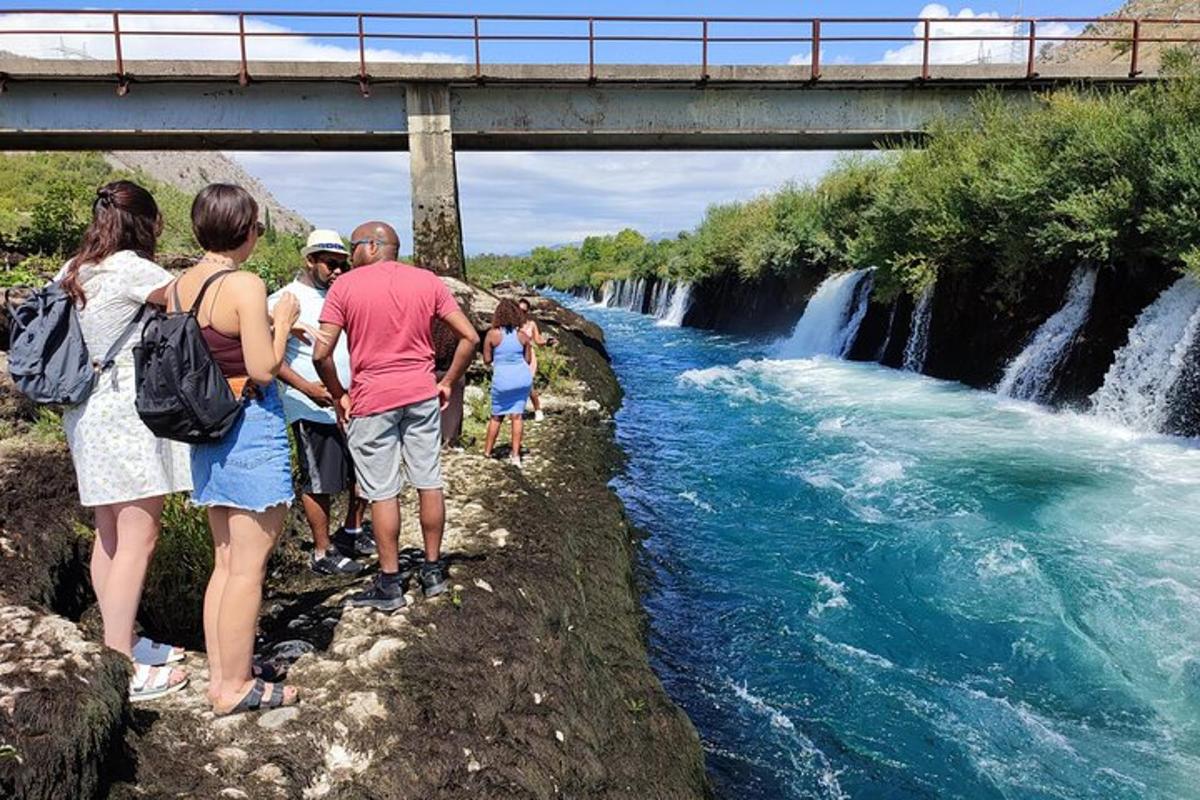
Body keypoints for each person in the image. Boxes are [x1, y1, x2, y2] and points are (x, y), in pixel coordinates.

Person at [58, 180, 192, 702]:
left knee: (110, 533)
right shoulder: (134, 269)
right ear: (146, 224)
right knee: (139, 535)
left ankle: (127, 640)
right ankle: (121, 665)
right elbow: (191, 301)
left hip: (85, 412)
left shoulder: (74, 268)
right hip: (125, 414)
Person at [174, 183, 300, 715]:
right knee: (248, 567)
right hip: (248, 426)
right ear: (245, 231)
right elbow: (262, 370)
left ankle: (222, 675)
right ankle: (235, 688)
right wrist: (284, 322)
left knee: (225, 563)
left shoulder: (182, 284)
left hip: (207, 431)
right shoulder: (245, 284)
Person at [313, 221, 479, 612]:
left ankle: (390, 585)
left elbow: (321, 354)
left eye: (353, 247)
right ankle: (434, 572)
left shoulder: (344, 288)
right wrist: (449, 382)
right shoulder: (428, 282)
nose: (349, 257)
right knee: (428, 480)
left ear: (371, 246)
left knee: (384, 491)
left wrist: (339, 395)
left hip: (373, 401)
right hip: (421, 394)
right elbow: (469, 337)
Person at [268, 230, 369, 575]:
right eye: (331, 264)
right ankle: (323, 551)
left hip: (350, 399)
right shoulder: (284, 299)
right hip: (310, 404)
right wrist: (307, 387)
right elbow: (269, 356)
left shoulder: (342, 294)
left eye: (343, 264)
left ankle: (353, 530)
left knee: (363, 471)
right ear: (309, 260)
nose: (338, 271)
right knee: (319, 479)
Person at [483, 299, 534, 467]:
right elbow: (527, 359)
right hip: (521, 378)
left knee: (496, 416)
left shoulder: (492, 334)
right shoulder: (522, 335)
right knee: (517, 416)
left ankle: (488, 452)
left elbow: (487, 359)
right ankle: (515, 456)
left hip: (503, 379)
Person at [517, 297, 555, 422]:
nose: (520, 313)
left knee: (528, 384)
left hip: (529, 357)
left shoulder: (531, 324)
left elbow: (537, 340)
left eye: (523, 311)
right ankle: (517, 410)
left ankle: (538, 410)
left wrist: (547, 342)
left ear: (527, 312)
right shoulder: (513, 325)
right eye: (519, 310)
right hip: (516, 356)